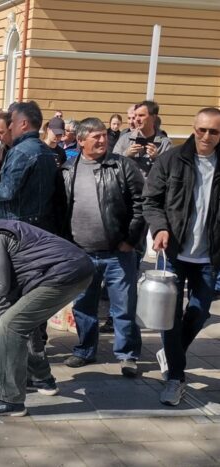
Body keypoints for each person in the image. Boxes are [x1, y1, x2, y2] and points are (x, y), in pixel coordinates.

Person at [0, 213, 94, 416]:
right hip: (71, 270)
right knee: (19, 317)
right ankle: (41, 378)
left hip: (65, 273)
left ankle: (8, 399)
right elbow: (4, 302)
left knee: (12, 324)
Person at [55, 117, 145, 377]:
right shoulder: (67, 169)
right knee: (83, 305)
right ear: (81, 141)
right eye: (96, 136)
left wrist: (131, 240)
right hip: (80, 252)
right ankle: (85, 350)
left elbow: (141, 204)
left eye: (104, 135)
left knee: (123, 306)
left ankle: (127, 355)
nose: (103, 140)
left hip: (118, 252)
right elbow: (60, 210)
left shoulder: (122, 166)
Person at [142, 107, 220, 406]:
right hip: (175, 252)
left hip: (209, 256)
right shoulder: (171, 160)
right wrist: (160, 228)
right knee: (171, 319)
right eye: (202, 130)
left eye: (214, 131)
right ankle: (176, 378)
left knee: (199, 312)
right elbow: (151, 200)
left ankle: (172, 353)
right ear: (193, 127)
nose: (206, 136)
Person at [0, 101, 58, 233]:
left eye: (13, 122)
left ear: (24, 124)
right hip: (40, 227)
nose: (10, 126)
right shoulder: (45, 150)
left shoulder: (21, 151)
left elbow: (7, 190)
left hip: (19, 228)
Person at [113, 100, 172, 176]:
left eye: (141, 115)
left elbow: (170, 171)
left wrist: (156, 158)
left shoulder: (165, 143)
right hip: (129, 186)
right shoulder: (125, 139)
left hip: (152, 186)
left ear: (153, 117)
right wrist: (126, 154)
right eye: (135, 116)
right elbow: (112, 163)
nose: (136, 119)